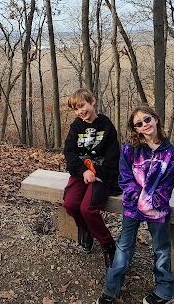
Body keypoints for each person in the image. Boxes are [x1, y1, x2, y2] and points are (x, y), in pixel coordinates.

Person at [96, 104, 174, 304]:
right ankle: (111, 290)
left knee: (161, 248)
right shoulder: (130, 149)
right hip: (132, 207)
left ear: (155, 119)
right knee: (124, 246)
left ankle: (165, 290)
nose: (144, 125)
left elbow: (167, 184)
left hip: (157, 209)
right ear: (136, 129)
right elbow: (125, 178)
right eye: (139, 123)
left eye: (147, 119)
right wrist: (138, 199)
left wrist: (151, 203)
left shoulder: (168, 151)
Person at [62, 88, 120, 268]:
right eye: (76, 109)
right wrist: (83, 171)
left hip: (102, 175)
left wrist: (99, 174)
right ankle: (86, 230)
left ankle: (108, 244)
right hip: (81, 173)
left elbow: (113, 156)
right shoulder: (76, 127)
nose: (80, 111)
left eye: (82, 106)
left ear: (92, 101)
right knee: (70, 204)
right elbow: (69, 152)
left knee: (87, 209)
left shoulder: (106, 125)